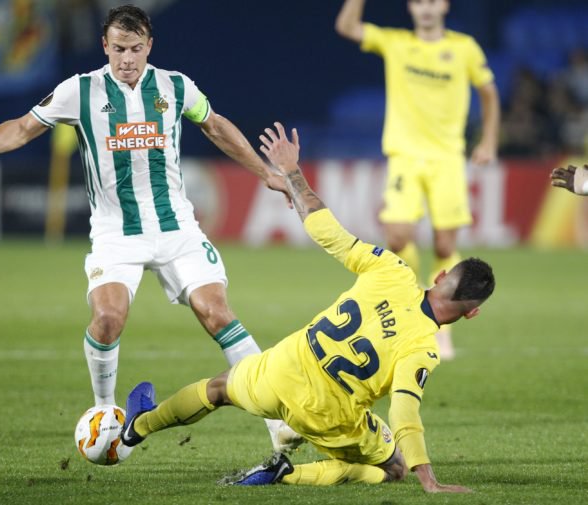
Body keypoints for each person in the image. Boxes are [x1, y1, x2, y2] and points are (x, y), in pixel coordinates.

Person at [0, 5, 299, 452]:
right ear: (105, 46)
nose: (127, 58)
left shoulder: (175, 86)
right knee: (107, 320)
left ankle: (279, 423)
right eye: (119, 48)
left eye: (136, 48)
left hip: (176, 227)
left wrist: (264, 172)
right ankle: (104, 411)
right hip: (115, 234)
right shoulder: (79, 91)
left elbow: (216, 127)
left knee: (217, 313)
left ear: (149, 47)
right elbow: (25, 128)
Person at [119, 123, 495, 492]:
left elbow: (328, 232)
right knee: (393, 468)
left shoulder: (393, 270)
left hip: (285, 366)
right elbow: (403, 413)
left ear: (442, 274)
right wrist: (428, 479)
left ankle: (139, 426)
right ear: (471, 313)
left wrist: (293, 173)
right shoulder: (423, 349)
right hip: (327, 413)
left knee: (218, 389)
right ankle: (287, 474)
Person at [335, 0, 500, 359]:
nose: (426, 8)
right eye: (419, 2)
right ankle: (412, 308)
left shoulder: (463, 48)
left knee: (444, 246)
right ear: (411, 8)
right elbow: (347, 27)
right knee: (397, 235)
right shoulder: (395, 42)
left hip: (447, 159)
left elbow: (488, 92)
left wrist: (487, 140)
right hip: (405, 157)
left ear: (444, 6)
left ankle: (440, 326)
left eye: (432, 1)